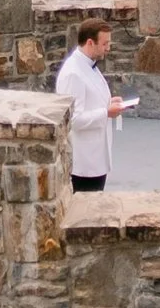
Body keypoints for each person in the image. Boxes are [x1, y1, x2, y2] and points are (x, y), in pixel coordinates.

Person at [53, 17, 130, 192]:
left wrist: (110, 102)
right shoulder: (73, 73)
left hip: (96, 158)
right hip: (84, 163)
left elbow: (91, 99)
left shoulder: (87, 66)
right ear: (90, 42)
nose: (108, 48)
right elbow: (73, 120)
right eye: (104, 43)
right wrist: (106, 112)